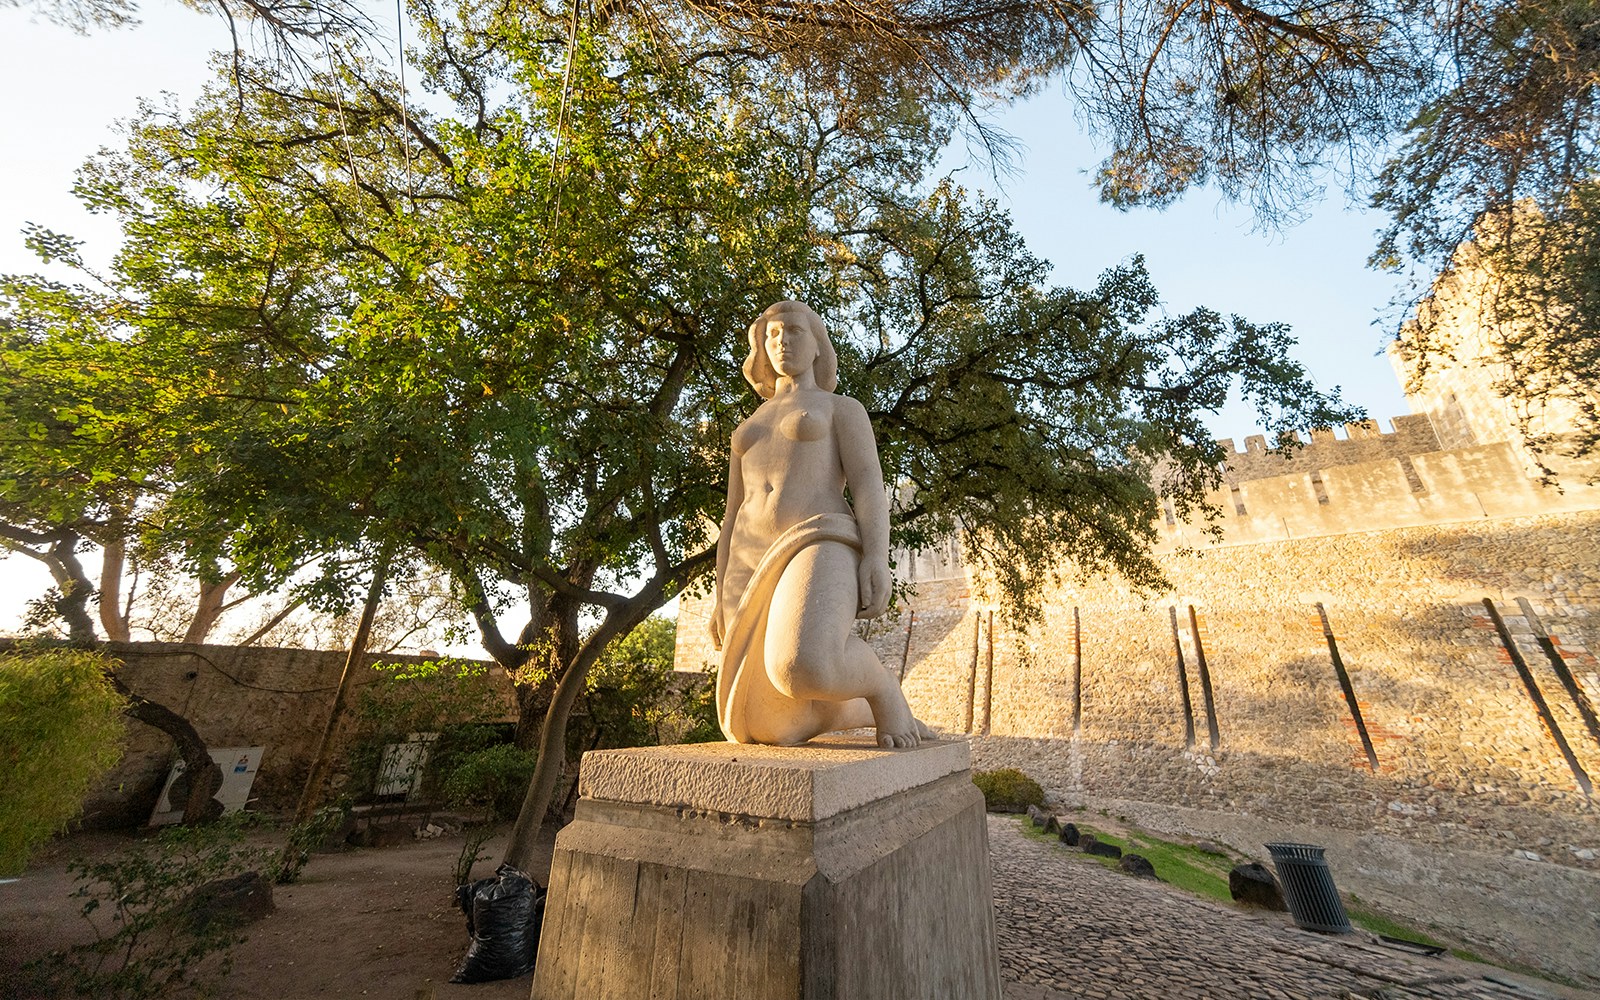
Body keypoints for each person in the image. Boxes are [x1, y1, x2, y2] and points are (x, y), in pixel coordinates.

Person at [711, 300, 934, 748]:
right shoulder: (749, 424)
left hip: (821, 537)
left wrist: (876, 556)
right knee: (760, 726)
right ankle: (848, 712)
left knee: (803, 664)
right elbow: (732, 514)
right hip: (749, 556)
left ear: (817, 345)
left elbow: (869, 486)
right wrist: (719, 595)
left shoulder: (840, 408)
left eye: (793, 330)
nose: (782, 342)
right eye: (771, 336)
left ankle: (882, 687)